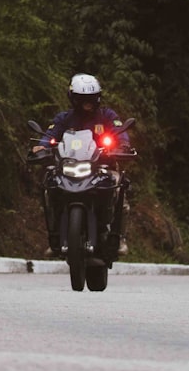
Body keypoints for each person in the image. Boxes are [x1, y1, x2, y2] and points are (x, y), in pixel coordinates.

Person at [32, 73, 131, 257]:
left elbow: (119, 131)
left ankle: (120, 238)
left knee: (119, 188)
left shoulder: (107, 116)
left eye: (92, 98)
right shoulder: (64, 118)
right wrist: (42, 146)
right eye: (83, 99)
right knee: (48, 187)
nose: (88, 103)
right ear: (73, 98)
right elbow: (50, 135)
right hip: (68, 168)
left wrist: (123, 145)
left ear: (98, 98)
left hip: (102, 168)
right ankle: (55, 235)